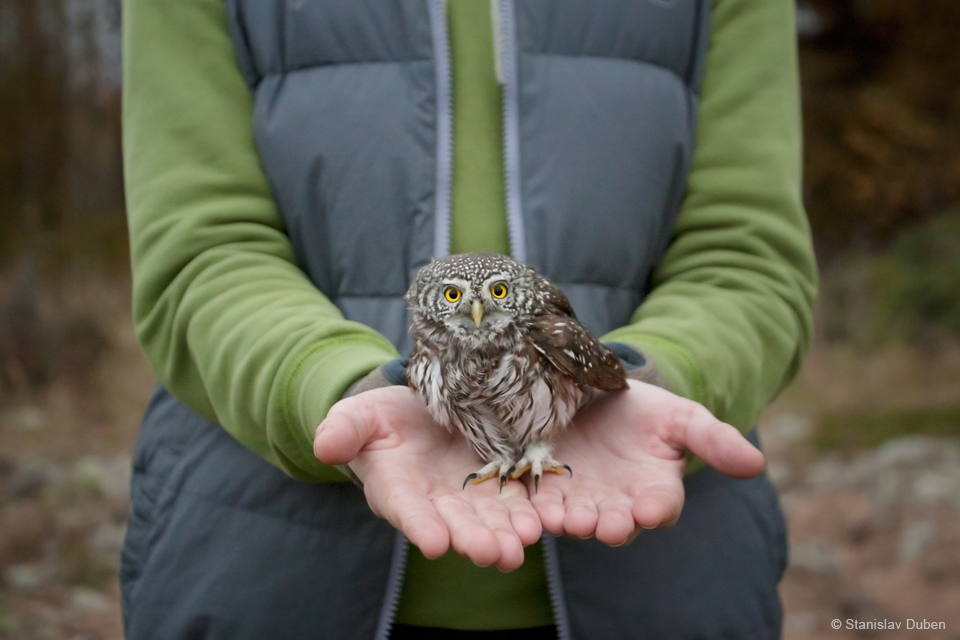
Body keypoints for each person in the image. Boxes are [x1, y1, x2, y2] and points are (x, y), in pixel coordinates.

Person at [120, 0, 817, 637]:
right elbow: (202, 253)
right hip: (270, 583)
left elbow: (746, 253)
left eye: (493, 299)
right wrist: (337, 391)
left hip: (662, 589)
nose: (479, 311)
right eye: (456, 299)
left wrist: (651, 378)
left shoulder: (552, 338)